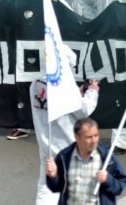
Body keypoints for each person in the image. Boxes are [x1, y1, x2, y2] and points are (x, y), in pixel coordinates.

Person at [32, 50, 100, 205]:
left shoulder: (35, 82)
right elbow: (84, 110)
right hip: (67, 147)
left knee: (46, 188)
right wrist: (92, 92)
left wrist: (76, 93)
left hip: (46, 144)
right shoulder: (64, 87)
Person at [45, 117, 126, 204]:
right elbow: (56, 188)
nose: (94, 140)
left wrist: (108, 179)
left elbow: (120, 186)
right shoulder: (64, 157)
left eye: (96, 135)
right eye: (89, 137)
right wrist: (53, 177)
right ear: (77, 137)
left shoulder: (107, 158)